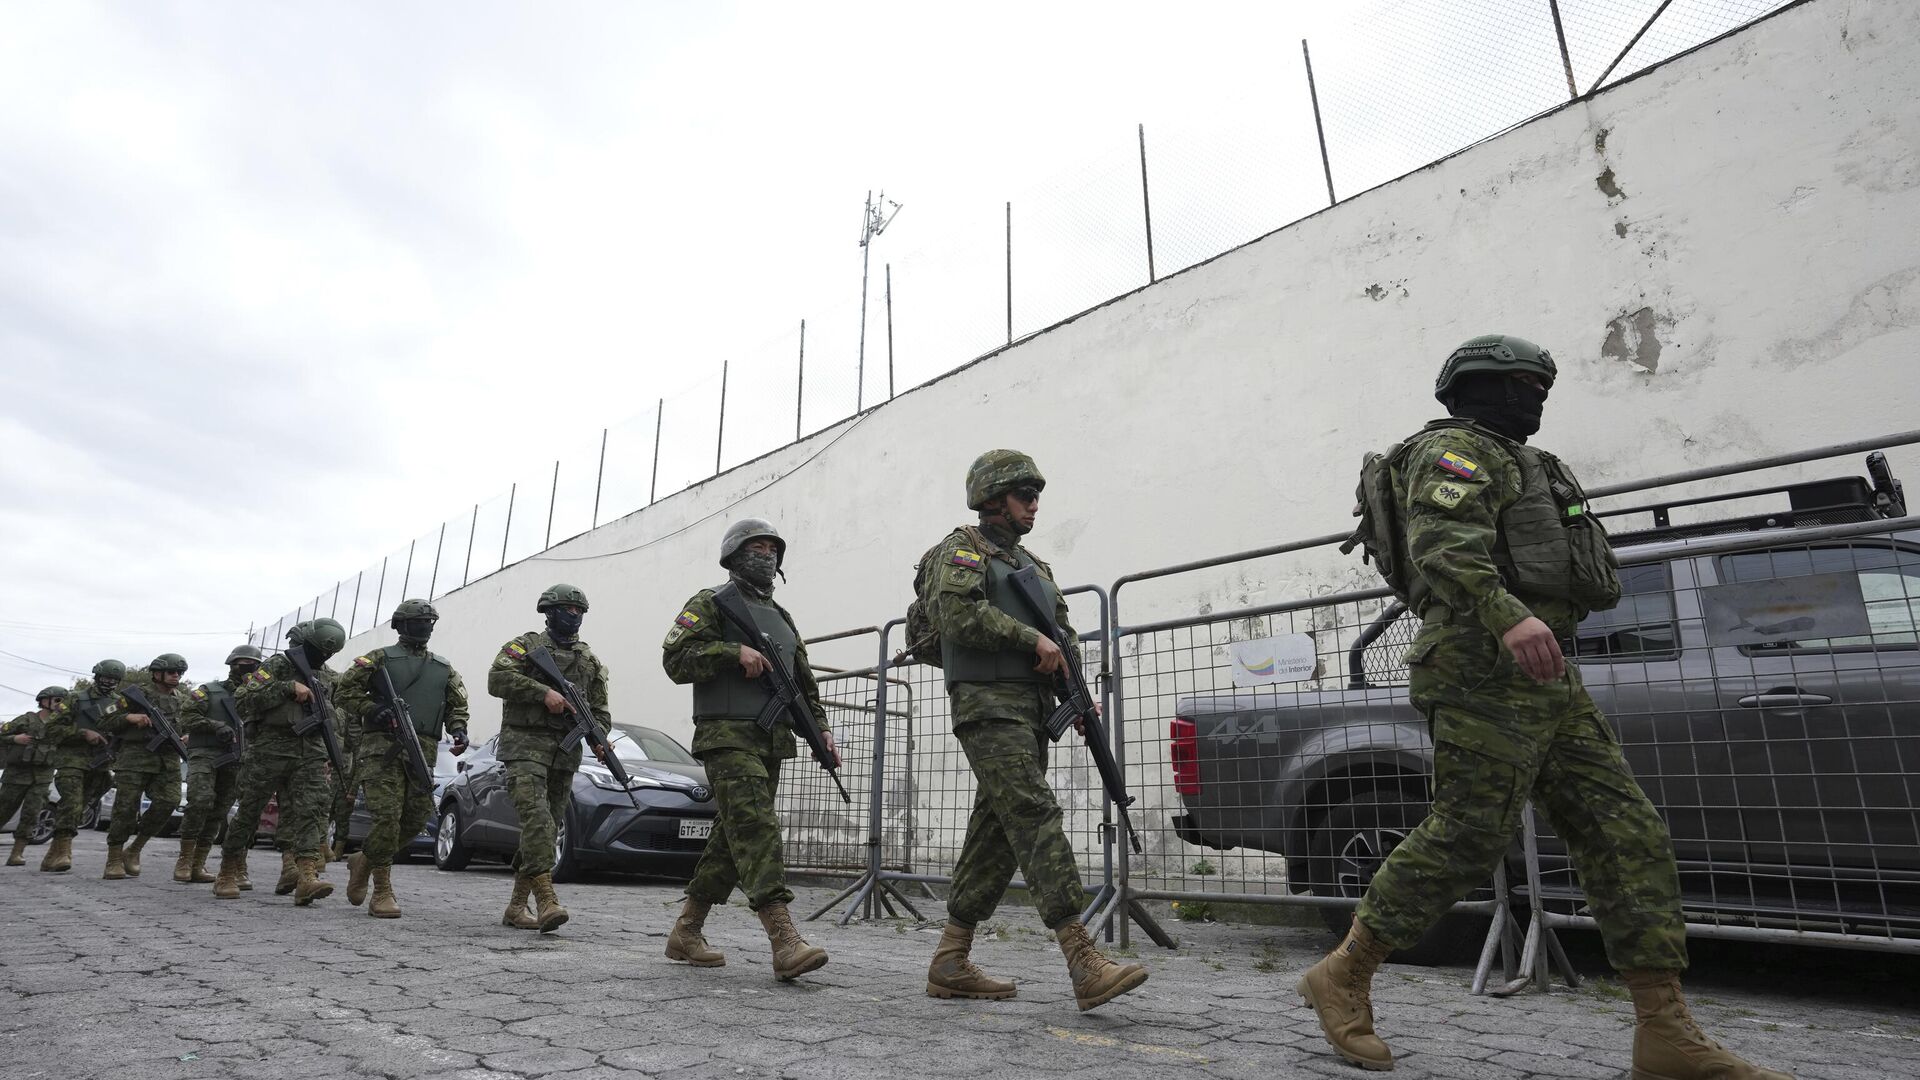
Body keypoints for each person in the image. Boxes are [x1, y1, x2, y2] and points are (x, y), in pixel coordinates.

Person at [1297, 335, 1788, 1079]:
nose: (1534, 398)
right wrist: (1506, 613)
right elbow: (1442, 545)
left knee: (1625, 831)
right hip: (1475, 662)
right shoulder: (1455, 452)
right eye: (1520, 385)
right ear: (1476, 388)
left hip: (1549, 670)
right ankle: (1345, 972)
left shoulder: (1535, 465)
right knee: (1469, 834)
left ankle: (1664, 1031)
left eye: (1542, 387)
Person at [916, 450, 1147, 1012]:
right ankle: (1081, 956)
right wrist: (1029, 641)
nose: (1035, 505)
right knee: (1033, 812)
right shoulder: (963, 549)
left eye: (1037, 495)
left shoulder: (1035, 567)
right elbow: (956, 616)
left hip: (1031, 708)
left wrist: (1073, 680)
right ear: (992, 499)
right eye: (1025, 495)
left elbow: (1060, 634)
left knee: (996, 830)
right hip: (987, 705)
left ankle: (951, 958)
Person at [661, 518, 835, 980]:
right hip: (726, 736)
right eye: (757, 548)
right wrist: (729, 653)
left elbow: (803, 681)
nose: (767, 556)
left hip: (770, 740)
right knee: (757, 827)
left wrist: (821, 731)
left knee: (730, 838)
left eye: (773, 549)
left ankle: (687, 930)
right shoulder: (711, 603)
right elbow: (674, 659)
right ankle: (784, 939)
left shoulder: (782, 616)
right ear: (736, 555)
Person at [333, 599, 470, 918]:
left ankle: (363, 860)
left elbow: (457, 704)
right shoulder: (377, 659)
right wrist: (373, 709)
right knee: (387, 818)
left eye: (429, 621)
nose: (425, 627)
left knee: (417, 818)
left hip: (423, 751)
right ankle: (382, 891)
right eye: (418, 621)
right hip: (382, 751)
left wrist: (459, 729)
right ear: (401, 625)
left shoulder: (443, 667)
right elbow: (343, 693)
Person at [486, 584, 611, 934]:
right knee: (538, 821)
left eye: (579, 610)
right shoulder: (526, 646)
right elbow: (497, 679)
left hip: (564, 753)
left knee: (546, 827)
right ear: (549, 611)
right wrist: (544, 693)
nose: (574, 615)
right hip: (524, 747)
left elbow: (599, 709)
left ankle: (515, 906)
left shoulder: (589, 660)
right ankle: (546, 899)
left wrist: (600, 738)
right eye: (567, 609)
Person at [218, 619, 348, 906]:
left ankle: (306, 877)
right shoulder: (277, 666)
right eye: (317, 650)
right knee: (249, 811)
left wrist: (331, 742)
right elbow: (243, 699)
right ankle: (228, 870)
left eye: (328, 653)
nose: (322, 657)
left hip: (311, 751)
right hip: (269, 749)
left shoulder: (330, 677)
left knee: (312, 812)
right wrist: (287, 688)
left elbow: (339, 718)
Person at [98, 654, 191, 879]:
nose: (176, 676)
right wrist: (129, 717)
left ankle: (135, 848)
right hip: (135, 758)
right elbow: (104, 720)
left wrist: (187, 735)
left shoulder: (182, 700)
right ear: (157, 673)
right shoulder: (136, 695)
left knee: (169, 801)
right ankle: (114, 857)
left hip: (167, 761)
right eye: (171, 672)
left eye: (179, 673)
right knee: (125, 808)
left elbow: (190, 723)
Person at [175, 646, 262, 885]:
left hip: (239, 759)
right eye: (243, 663)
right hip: (206, 752)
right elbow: (187, 716)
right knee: (200, 801)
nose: (248, 668)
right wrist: (215, 726)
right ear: (232, 664)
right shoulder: (209, 691)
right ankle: (184, 859)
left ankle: (198, 863)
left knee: (220, 811)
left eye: (253, 664)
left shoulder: (258, 695)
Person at [39, 659, 124, 873]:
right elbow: (51, 729)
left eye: (114, 680)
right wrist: (82, 733)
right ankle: (62, 853)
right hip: (72, 761)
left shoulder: (121, 703)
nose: (109, 683)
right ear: (96, 676)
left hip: (101, 764)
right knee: (73, 803)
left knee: (80, 806)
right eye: (105, 678)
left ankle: (53, 852)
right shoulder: (76, 699)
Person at [1, 687, 66, 866]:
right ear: (45, 701)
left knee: (32, 813)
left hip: (42, 777)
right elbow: (2, 734)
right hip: (16, 774)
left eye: (63, 701)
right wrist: (14, 739)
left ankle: (17, 853)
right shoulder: (26, 720)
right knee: (3, 809)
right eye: (57, 700)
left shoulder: (62, 725)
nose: (60, 705)